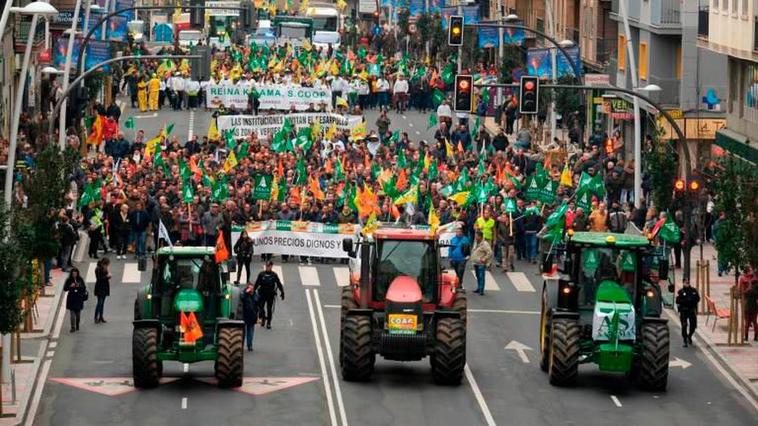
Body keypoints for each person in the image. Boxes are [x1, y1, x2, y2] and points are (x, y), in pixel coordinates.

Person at [253, 261, 285, 329]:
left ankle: (268, 323)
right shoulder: (261, 274)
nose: (268, 267)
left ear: (271, 266)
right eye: (267, 266)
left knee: (269, 309)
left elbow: (279, 284)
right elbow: (256, 284)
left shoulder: (274, 275)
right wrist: (253, 291)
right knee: (261, 308)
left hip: (270, 294)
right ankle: (263, 318)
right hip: (262, 294)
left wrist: (282, 292)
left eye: (269, 266)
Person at [676, 278, 700, 347]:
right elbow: (678, 300)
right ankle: (685, 339)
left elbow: (698, 298)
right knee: (684, 325)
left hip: (691, 310)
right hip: (684, 310)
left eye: (688, 282)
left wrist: (691, 300)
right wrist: (686, 301)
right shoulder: (681, 291)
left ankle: (689, 336)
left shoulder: (693, 290)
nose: (687, 284)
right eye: (686, 282)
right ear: (683, 283)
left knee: (693, 325)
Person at [64, 268, 87, 332]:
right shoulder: (69, 280)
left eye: (75, 273)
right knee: (72, 315)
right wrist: (70, 286)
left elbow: (84, 288)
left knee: (78, 315)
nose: (74, 275)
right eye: (73, 274)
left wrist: (79, 286)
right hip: (71, 298)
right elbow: (65, 289)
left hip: (78, 298)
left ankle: (77, 324)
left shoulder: (80, 279)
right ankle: (72, 327)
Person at [471, 231, 493, 296]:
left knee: (481, 277)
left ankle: (481, 290)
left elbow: (490, 253)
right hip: (475, 262)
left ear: (480, 237)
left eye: (477, 236)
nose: (475, 237)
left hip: (481, 263)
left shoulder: (485, 244)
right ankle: (478, 288)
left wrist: (484, 259)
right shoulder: (475, 242)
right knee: (477, 276)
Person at [240, 281, 259, 351]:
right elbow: (242, 297)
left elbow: (257, 301)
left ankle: (249, 345)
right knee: (242, 332)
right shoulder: (244, 293)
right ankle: (240, 345)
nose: (251, 290)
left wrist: (252, 294)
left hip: (252, 316)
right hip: (244, 315)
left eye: (252, 288)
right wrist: (246, 293)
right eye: (250, 288)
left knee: (250, 332)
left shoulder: (255, 294)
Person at [94, 257, 111, 324]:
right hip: (99, 287)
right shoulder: (98, 269)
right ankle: (96, 317)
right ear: (103, 263)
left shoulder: (105, 268)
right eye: (106, 264)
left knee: (102, 303)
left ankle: (101, 316)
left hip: (104, 287)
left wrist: (108, 276)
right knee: (99, 302)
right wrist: (107, 276)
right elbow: (99, 278)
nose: (107, 266)